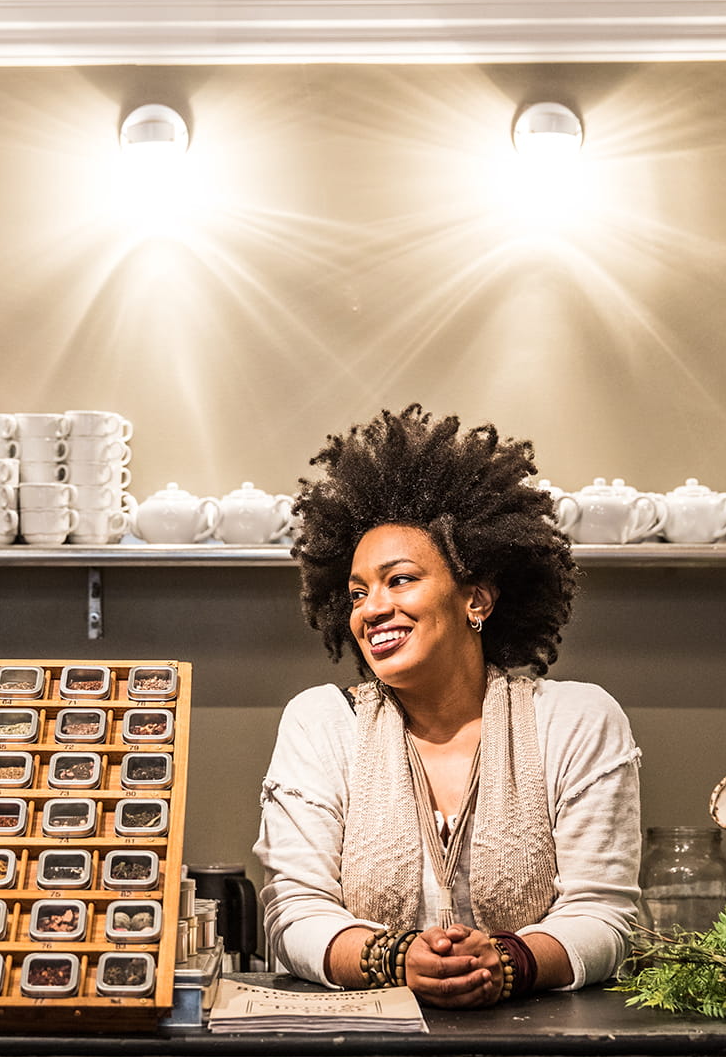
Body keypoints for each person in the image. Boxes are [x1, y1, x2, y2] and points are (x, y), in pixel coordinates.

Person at [253, 404, 641, 1009]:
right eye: (357, 592)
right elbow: (293, 914)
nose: (371, 608)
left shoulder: (574, 721)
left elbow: (605, 917)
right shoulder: (322, 724)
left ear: (476, 600)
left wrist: (509, 962)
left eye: (399, 580)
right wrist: (395, 957)